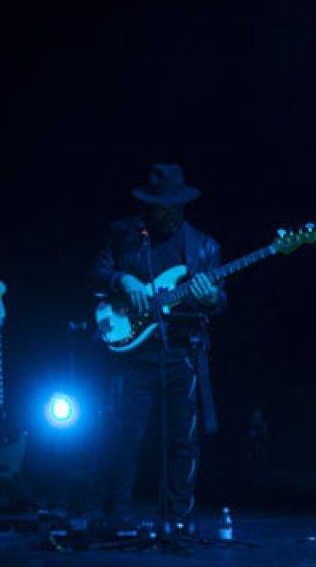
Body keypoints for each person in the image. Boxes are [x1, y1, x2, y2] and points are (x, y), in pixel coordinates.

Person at [88, 163, 225, 534]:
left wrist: (211, 298)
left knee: (183, 439)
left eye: (173, 207)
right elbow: (95, 273)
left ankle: (177, 517)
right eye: (160, 207)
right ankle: (116, 513)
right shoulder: (125, 234)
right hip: (135, 354)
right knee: (126, 434)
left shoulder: (203, 246)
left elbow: (220, 300)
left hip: (181, 352)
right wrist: (122, 278)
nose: (167, 214)